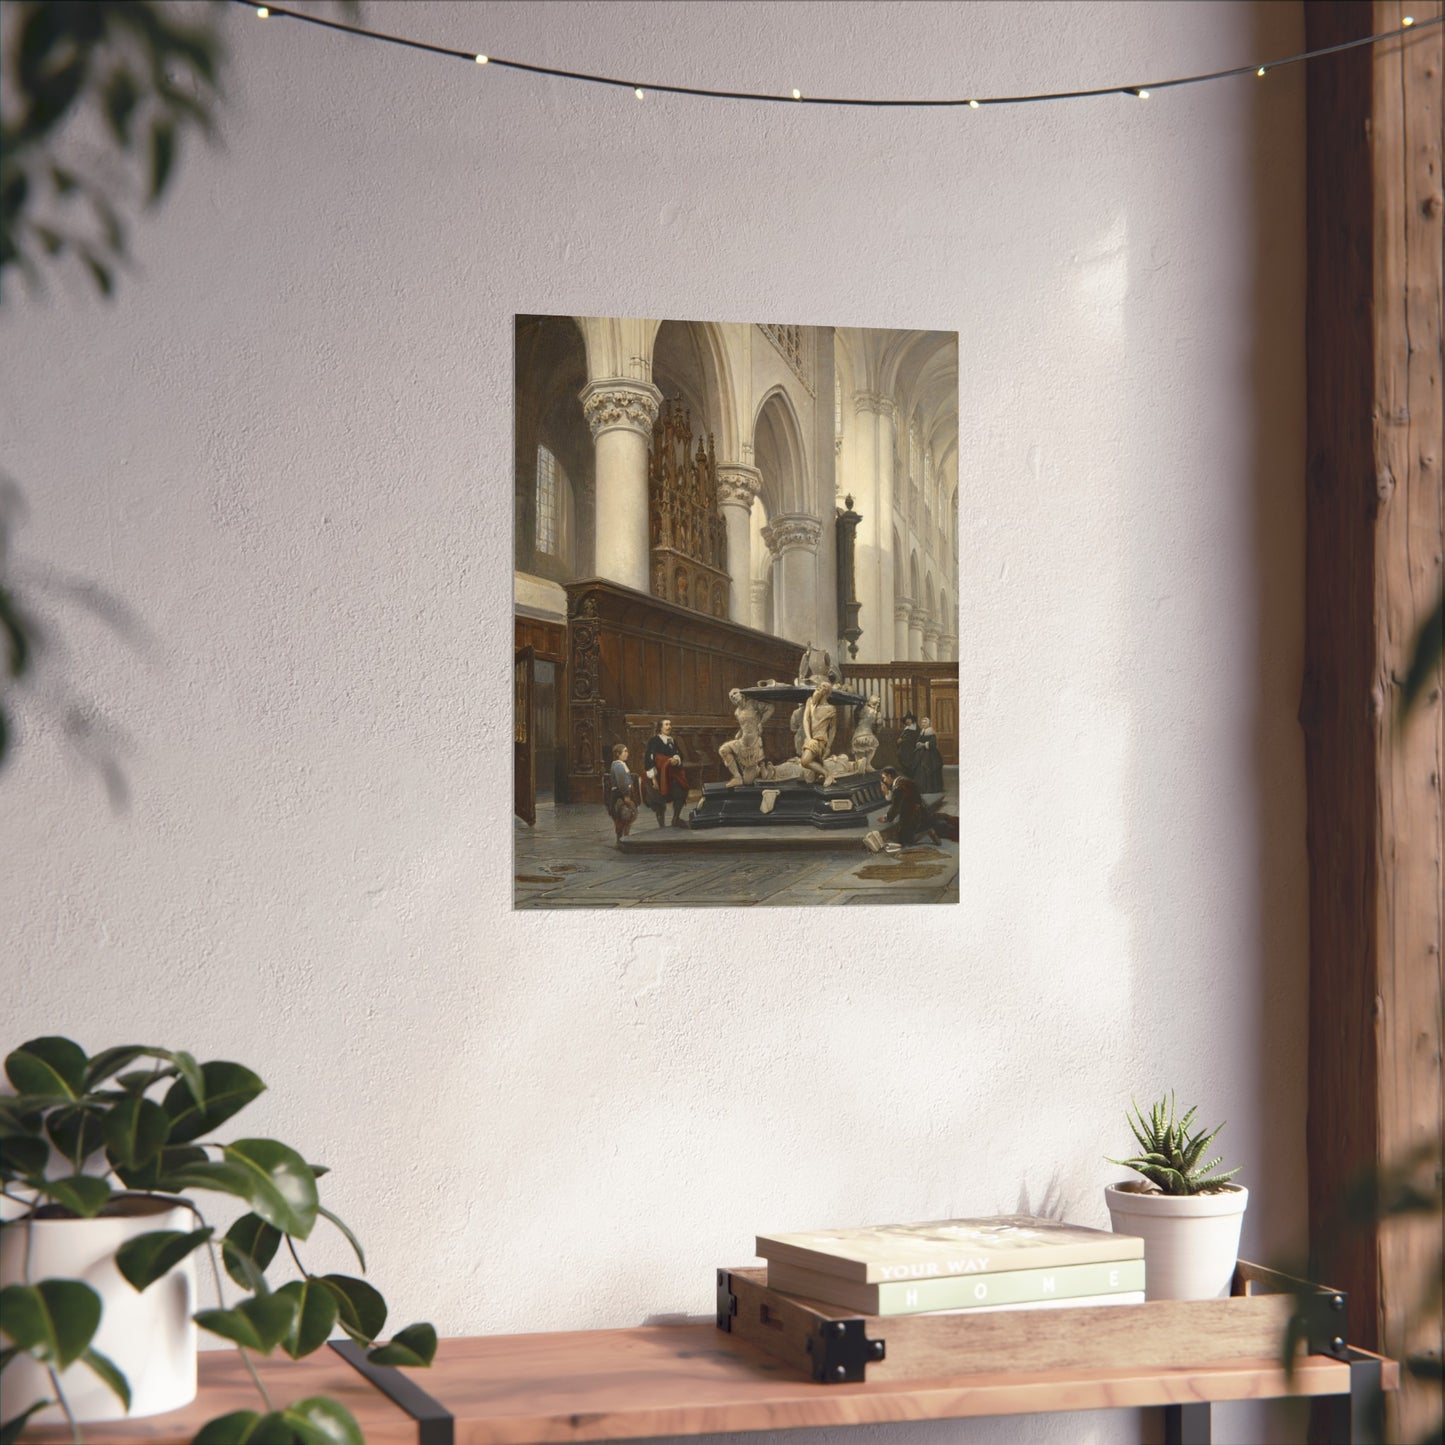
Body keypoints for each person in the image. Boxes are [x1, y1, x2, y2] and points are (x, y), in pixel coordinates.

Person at [865, 765, 938, 851]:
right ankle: (927, 830)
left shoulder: (898, 787)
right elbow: (900, 798)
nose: (884, 780)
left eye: (884, 778)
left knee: (903, 840)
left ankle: (920, 835)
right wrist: (887, 792)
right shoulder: (904, 781)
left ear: (889, 776)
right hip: (922, 812)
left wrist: (887, 818)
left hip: (912, 817)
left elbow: (896, 807)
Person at [644, 718, 689, 827]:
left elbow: (679, 754)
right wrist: (653, 778)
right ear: (660, 728)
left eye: (670, 724)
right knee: (659, 800)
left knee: (681, 791)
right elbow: (649, 759)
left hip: (671, 774)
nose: (669, 727)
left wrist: (676, 760)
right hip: (658, 775)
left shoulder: (672, 740)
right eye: (666, 725)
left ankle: (675, 818)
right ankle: (661, 825)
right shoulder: (654, 740)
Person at [798, 680, 837, 783]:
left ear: (826, 692)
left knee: (805, 761)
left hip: (820, 740)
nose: (817, 689)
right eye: (818, 687)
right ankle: (824, 774)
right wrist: (809, 738)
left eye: (821, 687)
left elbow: (833, 729)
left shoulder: (831, 709)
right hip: (810, 740)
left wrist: (828, 746)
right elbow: (806, 720)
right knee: (809, 774)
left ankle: (826, 774)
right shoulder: (810, 702)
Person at [604, 742, 638, 842]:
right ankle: (622, 839)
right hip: (620, 795)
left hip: (622, 794)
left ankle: (624, 839)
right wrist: (626, 796)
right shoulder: (618, 766)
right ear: (618, 754)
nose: (627, 753)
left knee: (624, 818)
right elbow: (622, 783)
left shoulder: (621, 765)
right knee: (624, 815)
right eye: (625, 751)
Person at [914, 715, 944, 795]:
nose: (923, 724)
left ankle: (931, 789)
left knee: (928, 767)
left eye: (925, 723)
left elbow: (933, 744)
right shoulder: (922, 732)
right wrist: (918, 744)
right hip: (921, 753)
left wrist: (923, 744)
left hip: (930, 754)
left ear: (928, 724)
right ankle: (922, 788)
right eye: (922, 723)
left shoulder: (931, 732)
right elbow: (917, 741)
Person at [896, 713, 920, 779]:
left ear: (912, 720)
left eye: (909, 719)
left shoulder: (916, 728)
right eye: (906, 720)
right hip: (904, 748)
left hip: (911, 748)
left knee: (909, 761)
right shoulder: (907, 728)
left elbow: (913, 738)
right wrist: (900, 739)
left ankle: (911, 776)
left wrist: (902, 740)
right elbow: (902, 736)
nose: (907, 721)